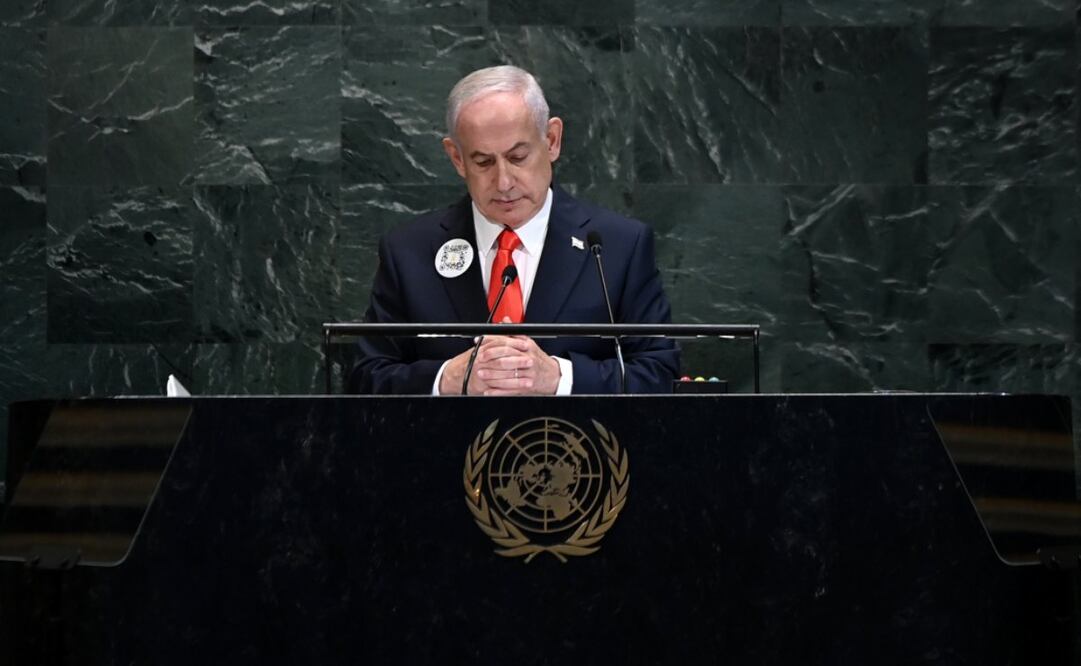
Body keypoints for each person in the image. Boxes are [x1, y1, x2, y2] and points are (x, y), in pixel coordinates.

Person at [349, 65, 678, 395]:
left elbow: (660, 374)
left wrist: (558, 377)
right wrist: (447, 378)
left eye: (518, 157)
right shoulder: (409, 251)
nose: (504, 182)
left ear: (551, 140)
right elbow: (365, 378)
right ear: (456, 158)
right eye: (483, 163)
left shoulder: (618, 247)